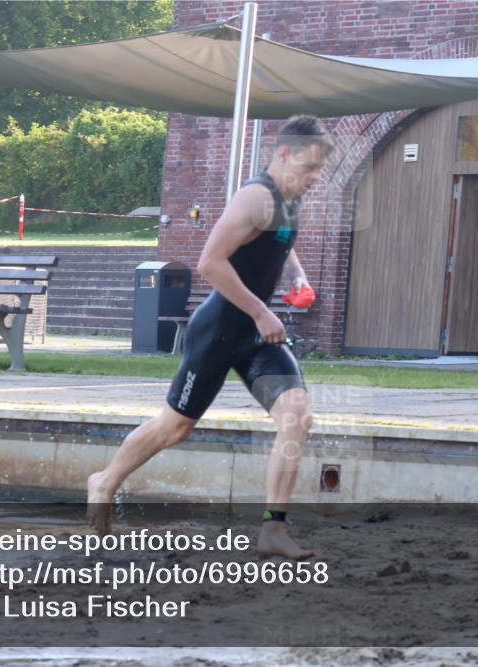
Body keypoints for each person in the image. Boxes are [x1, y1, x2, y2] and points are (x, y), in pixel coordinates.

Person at [88, 115, 334, 560]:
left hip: (258, 333)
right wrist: (261, 311)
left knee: (296, 417)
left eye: (320, 169)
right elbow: (210, 263)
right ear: (282, 155)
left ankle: (273, 530)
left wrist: (296, 273)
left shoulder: (288, 200)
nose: (316, 178)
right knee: (175, 429)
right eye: (311, 167)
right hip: (221, 329)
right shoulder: (254, 197)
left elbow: (279, 241)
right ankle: (104, 482)